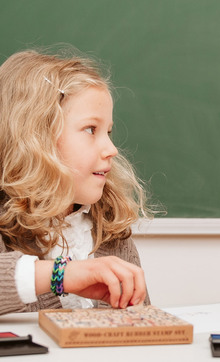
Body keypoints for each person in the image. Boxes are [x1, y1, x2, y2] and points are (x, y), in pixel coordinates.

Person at [0, 48, 152, 315]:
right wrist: (61, 274)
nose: (111, 149)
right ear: (36, 137)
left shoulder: (109, 230)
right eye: (91, 129)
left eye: (108, 131)